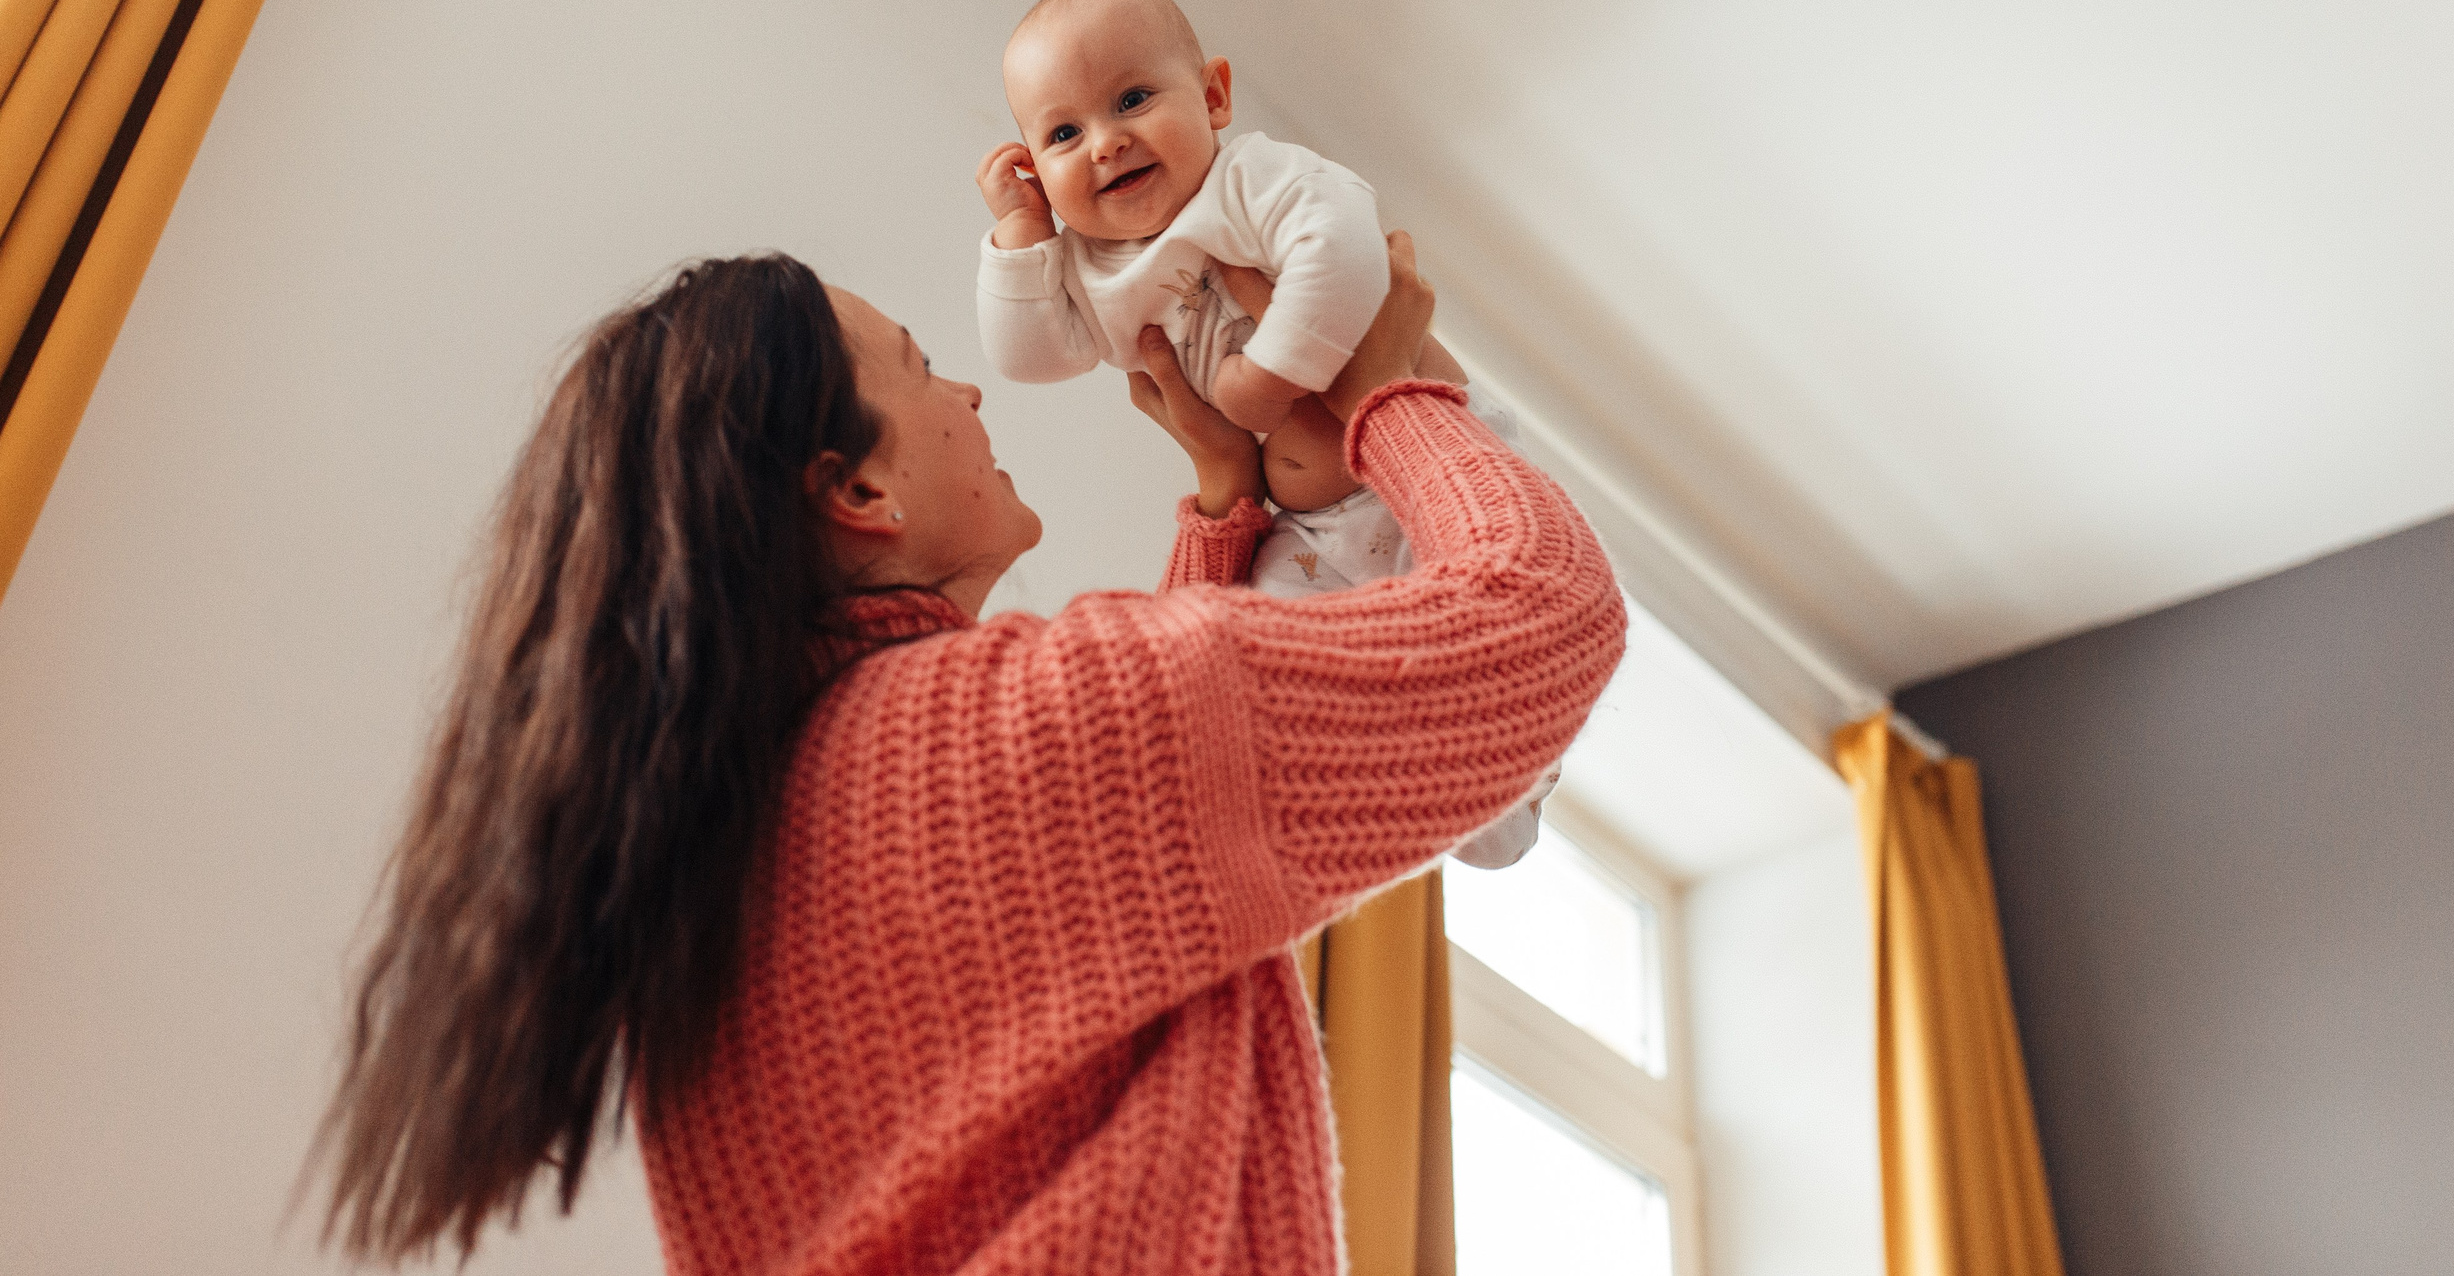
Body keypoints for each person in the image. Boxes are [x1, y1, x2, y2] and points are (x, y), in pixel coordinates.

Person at [315, 235, 1624, 1273]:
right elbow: (1546, 613)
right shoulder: (1018, 728)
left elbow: (1118, 928)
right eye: (922, 363)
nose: (969, 387)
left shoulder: (724, 867)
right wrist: (1399, 396)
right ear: (859, 492)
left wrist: (1228, 516)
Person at [979, 0, 1552, 865]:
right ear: (1036, 169)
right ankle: (1457, 799)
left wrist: (1264, 382)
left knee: (1489, 628)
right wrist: (1021, 236)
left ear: (1212, 96)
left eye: (1133, 99)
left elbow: (1347, 250)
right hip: (1308, 530)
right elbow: (1033, 357)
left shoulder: (1250, 180)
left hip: (1424, 466)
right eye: (1063, 133)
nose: (1106, 141)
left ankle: (1525, 748)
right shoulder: (1092, 270)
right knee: (1264, 663)